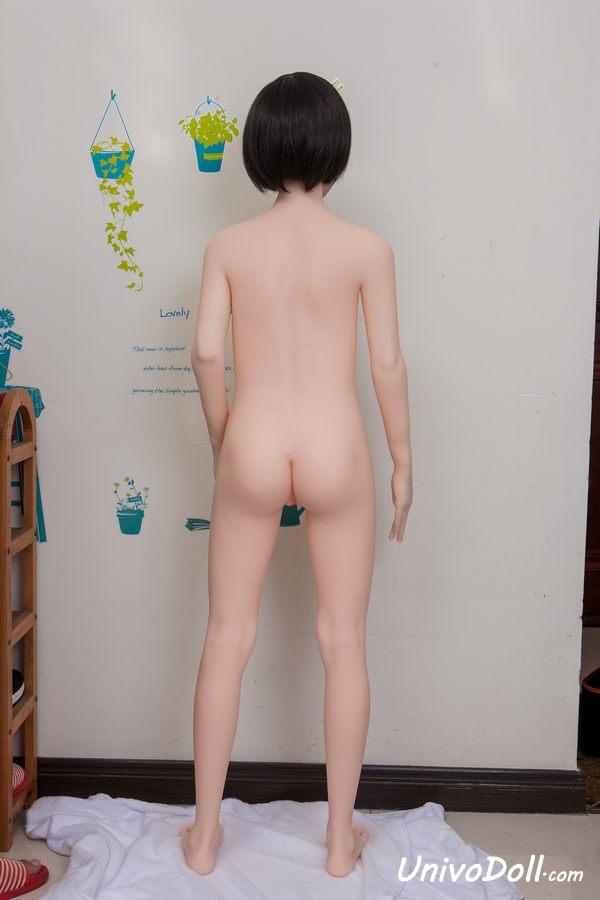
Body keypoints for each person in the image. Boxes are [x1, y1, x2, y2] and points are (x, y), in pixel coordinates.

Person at [181, 71, 413, 878]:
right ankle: (341, 842)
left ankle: (204, 836)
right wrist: (404, 460)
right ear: (334, 150)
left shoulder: (228, 247)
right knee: (343, 641)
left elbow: (205, 351)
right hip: (335, 446)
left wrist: (225, 441)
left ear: (258, 148)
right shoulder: (367, 250)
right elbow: (385, 363)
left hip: (255, 438)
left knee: (225, 636)